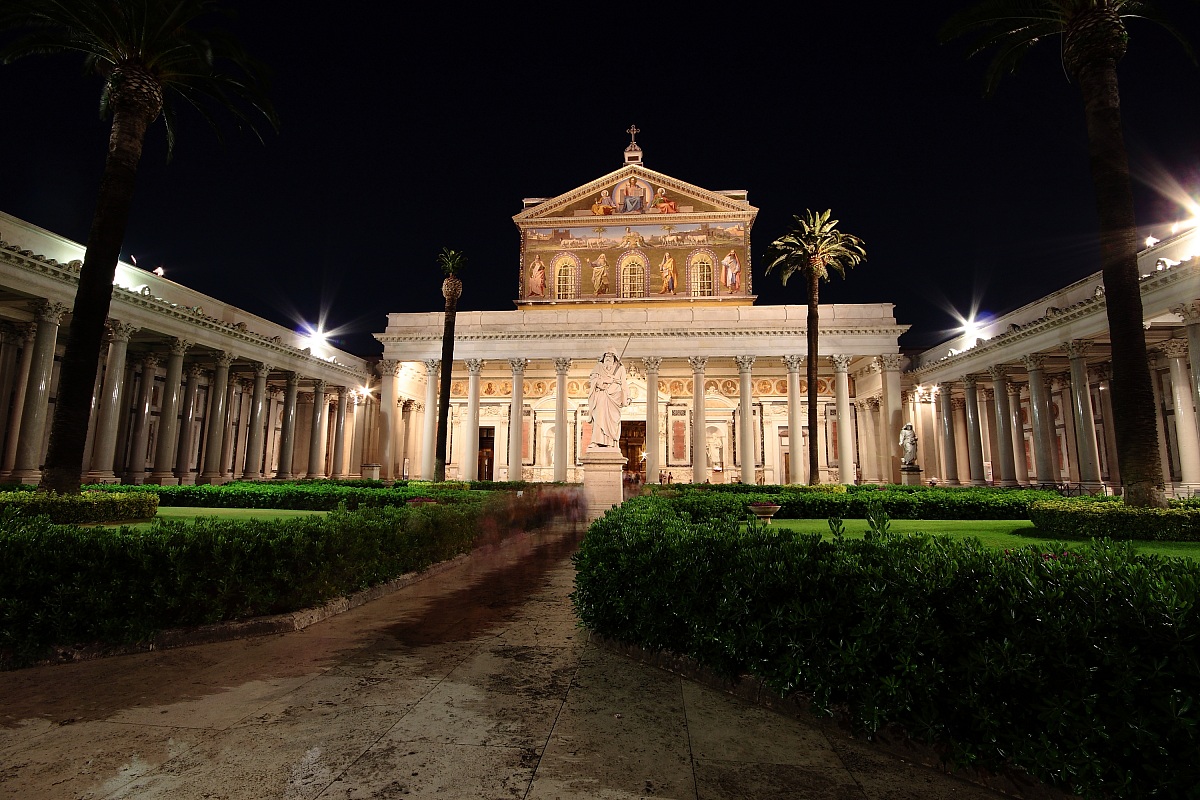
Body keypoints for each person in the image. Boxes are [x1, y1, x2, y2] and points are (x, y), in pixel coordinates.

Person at [588, 352, 629, 449]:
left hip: (614, 397)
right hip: (601, 396)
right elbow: (593, 380)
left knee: (612, 420)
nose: (608, 358)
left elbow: (624, 383)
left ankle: (610, 442)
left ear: (615, 358)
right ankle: (596, 441)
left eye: (610, 356)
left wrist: (628, 396)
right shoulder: (599, 366)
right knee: (599, 417)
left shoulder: (620, 368)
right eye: (606, 356)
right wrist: (607, 380)